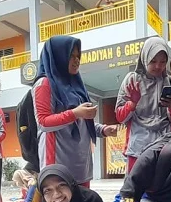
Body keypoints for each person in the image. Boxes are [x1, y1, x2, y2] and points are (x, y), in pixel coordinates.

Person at [113, 37, 171, 202]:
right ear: (144, 59)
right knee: (133, 197)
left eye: (163, 61)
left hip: (165, 146)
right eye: (154, 61)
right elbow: (120, 117)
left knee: (160, 196)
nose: (159, 66)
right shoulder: (132, 80)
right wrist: (132, 103)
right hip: (138, 147)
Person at [32, 35, 118, 186]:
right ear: (58, 56)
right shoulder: (44, 83)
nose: (77, 60)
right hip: (58, 162)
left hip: (81, 163)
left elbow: (80, 122)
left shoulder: (75, 85)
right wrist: (75, 113)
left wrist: (102, 129)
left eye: (78, 56)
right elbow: (43, 122)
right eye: (71, 56)